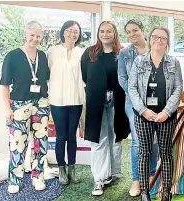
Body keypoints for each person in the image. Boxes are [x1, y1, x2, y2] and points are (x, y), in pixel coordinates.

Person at [129, 26, 183, 201]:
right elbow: (132, 88)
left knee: (166, 152)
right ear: (149, 38)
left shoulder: (174, 62)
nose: (158, 40)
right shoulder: (139, 61)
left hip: (166, 116)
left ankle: (167, 190)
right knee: (144, 152)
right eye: (155, 37)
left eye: (163, 38)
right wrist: (143, 110)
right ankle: (145, 191)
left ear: (167, 42)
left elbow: (178, 88)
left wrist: (167, 112)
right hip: (143, 116)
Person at [0, 21, 50, 194]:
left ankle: (38, 177)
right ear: (25, 34)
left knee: (41, 144)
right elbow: (5, 86)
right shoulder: (12, 56)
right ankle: (15, 180)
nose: (35, 39)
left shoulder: (43, 56)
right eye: (32, 35)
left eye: (38, 36)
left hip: (41, 104)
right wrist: (7, 109)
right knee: (18, 144)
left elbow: (45, 80)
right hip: (19, 105)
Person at [81, 21, 129, 196]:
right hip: (96, 101)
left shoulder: (122, 52)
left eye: (109, 31)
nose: (105, 34)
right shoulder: (90, 52)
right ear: (98, 33)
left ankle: (113, 172)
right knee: (99, 139)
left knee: (116, 137)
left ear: (115, 33)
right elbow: (85, 75)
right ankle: (99, 178)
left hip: (118, 100)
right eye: (102, 31)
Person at [118, 19, 159, 197]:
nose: (132, 34)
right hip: (133, 103)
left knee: (155, 139)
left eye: (135, 30)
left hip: (157, 102)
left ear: (143, 31)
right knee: (137, 141)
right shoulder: (125, 53)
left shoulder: (156, 49)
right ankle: (136, 179)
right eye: (128, 32)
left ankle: (150, 175)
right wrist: (137, 97)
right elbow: (122, 78)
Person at [47, 20, 85, 185]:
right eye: (69, 30)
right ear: (63, 32)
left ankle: (72, 168)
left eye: (76, 31)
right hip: (57, 100)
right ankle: (61, 168)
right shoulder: (53, 51)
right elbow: (48, 74)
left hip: (76, 100)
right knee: (61, 136)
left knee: (72, 136)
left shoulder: (82, 52)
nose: (72, 34)